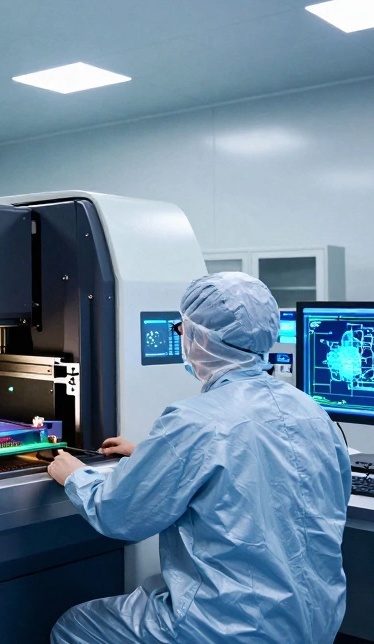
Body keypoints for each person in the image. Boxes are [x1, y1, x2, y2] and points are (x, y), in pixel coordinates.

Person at [46, 272, 350, 644]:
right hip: (316, 623)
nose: (182, 339)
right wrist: (153, 456)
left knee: (76, 626)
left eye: (181, 330)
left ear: (201, 338)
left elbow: (118, 515)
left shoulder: (194, 419)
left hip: (227, 628)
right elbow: (262, 468)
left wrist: (75, 474)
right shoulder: (311, 410)